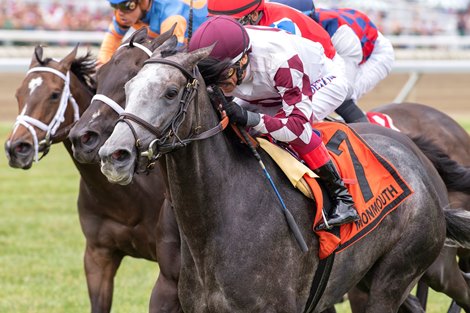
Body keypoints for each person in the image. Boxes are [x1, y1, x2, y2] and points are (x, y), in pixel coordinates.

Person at [189, 16, 360, 230]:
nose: (222, 86)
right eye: (213, 79)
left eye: (225, 77)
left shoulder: (280, 60)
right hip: (267, 87)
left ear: (242, 60)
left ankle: (342, 198)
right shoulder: (228, 65)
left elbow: (298, 128)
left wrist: (250, 118)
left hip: (320, 79)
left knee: (290, 132)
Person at [206, 0, 364, 123]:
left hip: (321, 72)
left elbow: (291, 82)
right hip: (286, 70)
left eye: (231, 21)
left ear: (254, 15)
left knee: (284, 125)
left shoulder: (278, 26)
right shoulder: (249, 22)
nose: (221, 28)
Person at [312, 8, 395, 123]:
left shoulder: (339, 32)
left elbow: (345, 87)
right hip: (351, 41)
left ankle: (365, 137)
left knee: (341, 96)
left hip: (375, 53)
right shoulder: (306, 21)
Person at [98, 0, 208, 65]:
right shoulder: (125, 14)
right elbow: (110, 43)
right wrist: (103, 66)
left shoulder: (172, 17)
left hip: (208, 52)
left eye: (125, 6)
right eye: (115, 6)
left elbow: (167, 60)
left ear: (144, 2)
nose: (120, 13)